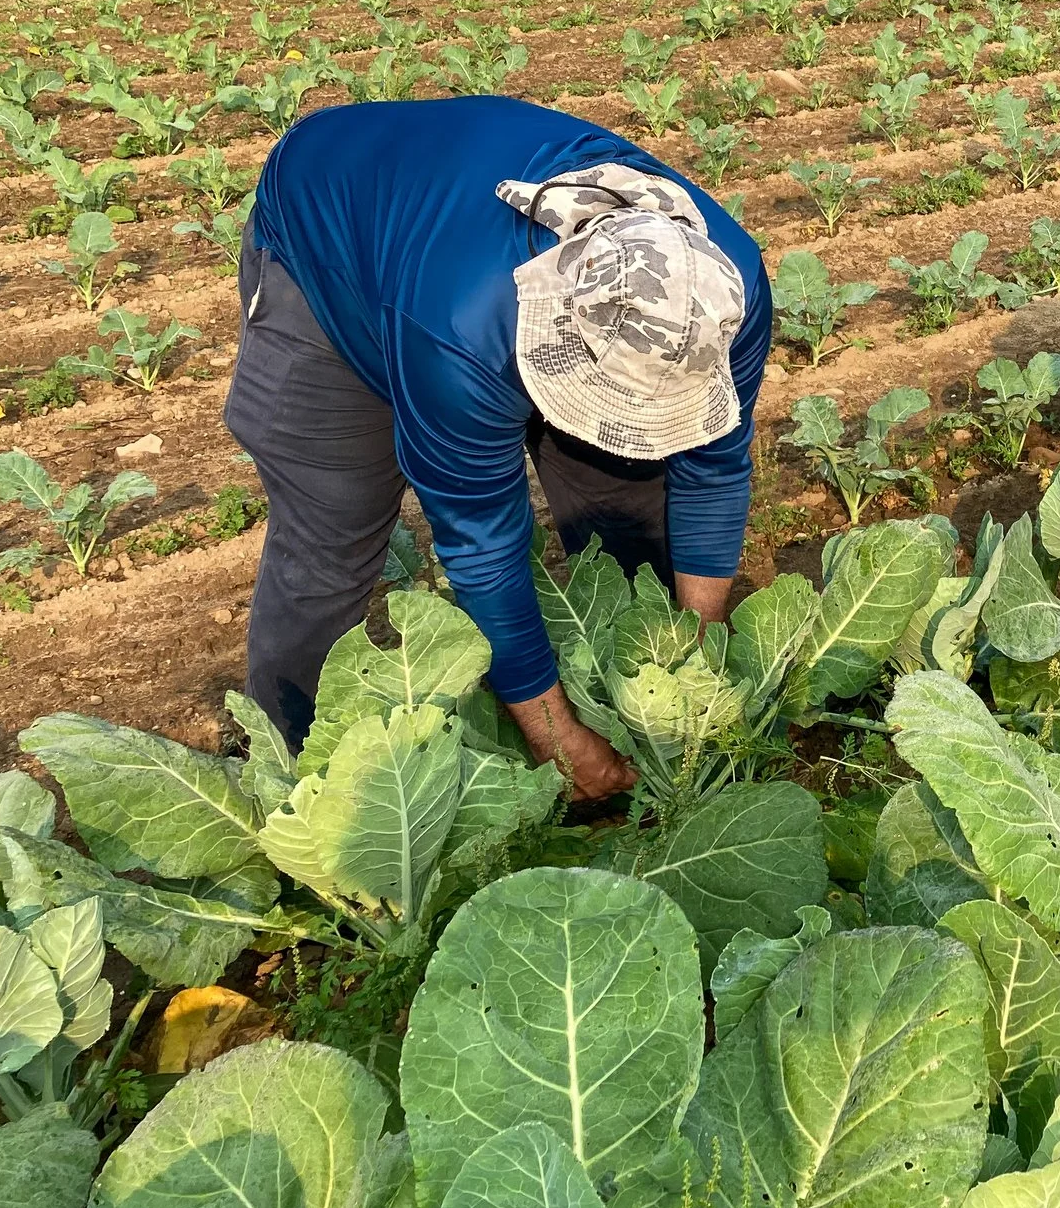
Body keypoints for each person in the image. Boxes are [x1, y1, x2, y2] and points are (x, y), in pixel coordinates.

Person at [226, 97, 773, 798]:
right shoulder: (459, 334)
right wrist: (556, 737)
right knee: (331, 532)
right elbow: (482, 539)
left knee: (623, 492)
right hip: (328, 245)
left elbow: (716, 465)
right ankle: (281, 772)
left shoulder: (731, 287)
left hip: (446, 209)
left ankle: (623, 716)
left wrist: (696, 655)